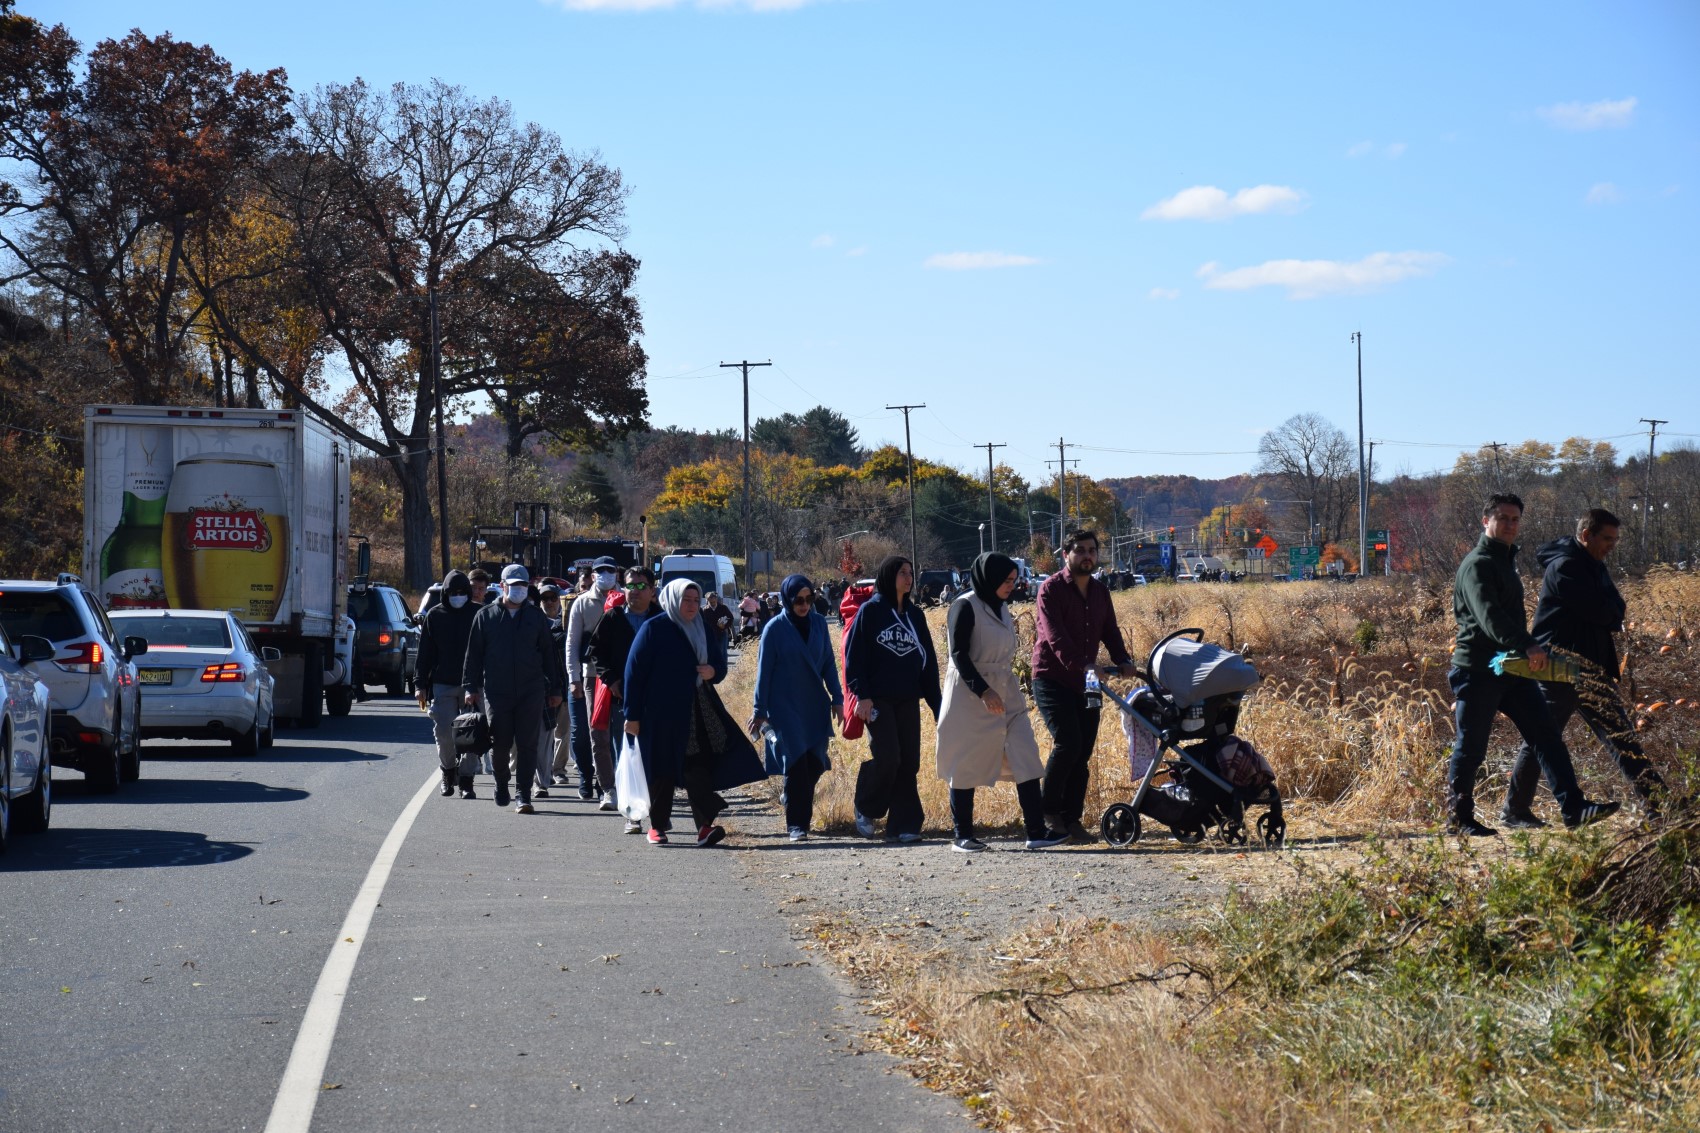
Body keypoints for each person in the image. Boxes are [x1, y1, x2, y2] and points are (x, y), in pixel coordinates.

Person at [1447, 493, 1619, 835]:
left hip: (1510, 669)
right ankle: (1459, 818)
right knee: (1471, 745)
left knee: (1546, 734)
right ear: (1486, 521)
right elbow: (1488, 616)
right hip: (1478, 669)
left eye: (1515, 519)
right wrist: (1528, 644)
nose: (1510, 525)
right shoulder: (1479, 564)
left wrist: (1522, 651)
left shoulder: (1504, 561)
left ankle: (1573, 807)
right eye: (1503, 518)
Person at [1503, 507, 1661, 826]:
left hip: (1590, 668)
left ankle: (1660, 804)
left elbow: (1617, 607)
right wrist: (1609, 609)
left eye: (1615, 539)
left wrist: (1610, 609)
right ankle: (1515, 811)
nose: (1612, 545)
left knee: (1621, 738)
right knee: (1543, 738)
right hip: (1559, 667)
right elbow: (1602, 612)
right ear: (1587, 535)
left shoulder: (1594, 565)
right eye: (1607, 538)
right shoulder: (1566, 567)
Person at [936, 553, 1069, 852]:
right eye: (1006, 581)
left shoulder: (1003, 608)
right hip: (969, 695)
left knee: (1025, 753)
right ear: (990, 579)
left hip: (1006, 691)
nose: (1012, 585)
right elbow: (958, 655)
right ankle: (963, 835)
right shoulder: (964, 606)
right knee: (965, 762)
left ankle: (1035, 831)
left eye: (1013, 580)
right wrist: (983, 691)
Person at [623, 580, 764, 845]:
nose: (691, 605)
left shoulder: (702, 627)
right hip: (660, 712)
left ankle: (705, 828)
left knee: (698, 764)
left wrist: (714, 672)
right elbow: (634, 674)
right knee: (662, 768)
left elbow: (719, 665)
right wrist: (631, 715)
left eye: (695, 600)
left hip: (698, 708)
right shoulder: (655, 628)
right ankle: (657, 826)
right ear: (672, 599)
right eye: (685, 600)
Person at [1031, 529, 1138, 843]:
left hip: (1087, 682)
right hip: (1052, 678)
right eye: (1080, 550)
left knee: (1083, 753)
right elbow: (1055, 638)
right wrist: (1084, 664)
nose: (1087, 555)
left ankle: (1072, 820)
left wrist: (1123, 659)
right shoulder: (1050, 590)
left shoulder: (1100, 592)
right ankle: (1048, 812)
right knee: (1068, 743)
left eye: (1092, 550)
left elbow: (1110, 631)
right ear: (1066, 555)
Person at [843, 555, 941, 843]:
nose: (908, 578)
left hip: (908, 698)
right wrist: (862, 695)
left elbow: (929, 663)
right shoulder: (871, 612)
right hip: (877, 700)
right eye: (902, 572)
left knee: (909, 762)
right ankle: (866, 804)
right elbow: (855, 658)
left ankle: (904, 824)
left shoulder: (915, 615)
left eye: (911, 572)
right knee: (888, 758)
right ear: (888, 576)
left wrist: (938, 706)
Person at [748, 574, 844, 841]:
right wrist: (759, 711)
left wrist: (837, 699)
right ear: (788, 600)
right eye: (798, 600)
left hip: (814, 704)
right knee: (796, 764)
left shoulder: (819, 623)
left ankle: (791, 797)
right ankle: (797, 825)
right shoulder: (774, 629)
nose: (804, 605)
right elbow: (763, 673)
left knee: (815, 763)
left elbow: (828, 664)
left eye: (809, 599)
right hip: (785, 706)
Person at [462, 564, 563, 813]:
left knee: (529, 743)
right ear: (503, 586)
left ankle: (523, 794)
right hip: (497, 692)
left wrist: (555, 689)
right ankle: (501, 782)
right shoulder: (485, 616)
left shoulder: (536, 617)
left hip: (532, 690)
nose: (517, 590)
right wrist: (469, 687)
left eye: (522, 585)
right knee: (500, 742)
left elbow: (549, 655)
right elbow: (473, 655)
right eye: (513, 585)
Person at [588, 565, 662, 831]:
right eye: (630, 585)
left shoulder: (662, 619)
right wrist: (611, 680)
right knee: (627, 755)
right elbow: (596, 651)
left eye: (641, 586)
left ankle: (658, 814)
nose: (635, 591)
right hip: (624, 699)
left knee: (652, 757)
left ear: (652, 590)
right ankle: (632, 814)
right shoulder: (613, 617)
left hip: (656, 700)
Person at [415, 569, 482, 799]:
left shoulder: (478, 613)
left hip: (473, 685)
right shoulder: (435, 615)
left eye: (463, 592)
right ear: (445, 593)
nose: (458, 596)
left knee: (474, 734)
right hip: (443, 683)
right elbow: (425, 652)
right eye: (453, 592)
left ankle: (466, 779)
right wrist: (420, 684)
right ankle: (448, 771)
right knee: (444, 731)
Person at [565, 556, 622, 799]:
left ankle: (621, 783)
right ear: (593, 575)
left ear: (617, 574)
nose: (605, 574)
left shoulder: (627, 600)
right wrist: (573, 677)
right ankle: (602, 785)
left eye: (610, 570)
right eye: (600, 571)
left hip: (621, 678)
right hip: (591, 677)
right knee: (596, 732)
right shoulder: (582, 602)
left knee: (620, 734)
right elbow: (572, 642)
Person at [532, 582, 569, 798]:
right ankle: (535, 777)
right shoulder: (533, 623)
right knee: (540, 736)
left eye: (553, 598)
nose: (549, 602)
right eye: (544, 598)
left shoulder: (568, 622)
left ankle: (555, 772)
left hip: (563, 687)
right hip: (539, 689)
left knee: (561, 733)